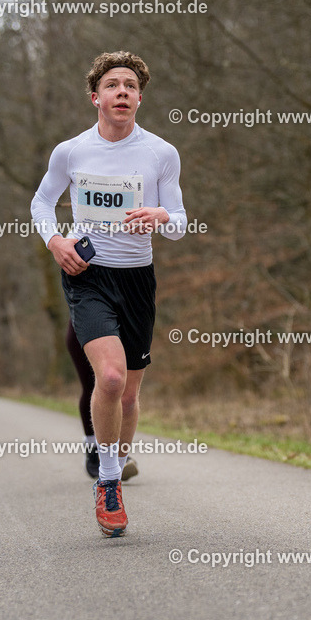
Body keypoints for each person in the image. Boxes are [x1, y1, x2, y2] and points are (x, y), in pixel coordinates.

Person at [31, 50, 187, 537]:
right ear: (95, 97)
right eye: (113, 85)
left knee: (131, 394)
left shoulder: (161, 153)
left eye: (131, 86)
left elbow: (180, 223)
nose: (123, 92)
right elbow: (41, 202)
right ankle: (108, 482)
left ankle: (115, 465)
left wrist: (160, 216)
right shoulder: (71, 152)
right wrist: (55, 241)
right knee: (112, 378)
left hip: (137, 279)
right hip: (89, 274)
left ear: (139, 98)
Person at [66, 321, 137, 480]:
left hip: (119, 331)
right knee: (94, 387)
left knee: (119, 390)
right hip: (82, 331)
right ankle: (92, 448)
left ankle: (115, 454)